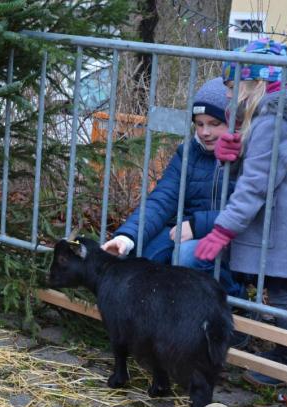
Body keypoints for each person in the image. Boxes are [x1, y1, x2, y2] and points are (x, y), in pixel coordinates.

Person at [195, 38, 287, 386]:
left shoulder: (274, 123)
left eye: (231, 87)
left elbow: (256, 185)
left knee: (281, 291)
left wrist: (222, 229)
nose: (227, 96)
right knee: (277, 289)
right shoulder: (273, 119)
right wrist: (237, 151)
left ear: (254, 84)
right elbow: (263, 167)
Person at [101, 77, 242, 300]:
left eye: (215, 124)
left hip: (232, 238)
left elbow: (247, 211)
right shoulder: (188, 152)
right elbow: (163, 197)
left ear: (236, 121)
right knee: (142, 256)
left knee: (186, 255)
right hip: (184, 229)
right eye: (199, 123)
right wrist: (127, 238)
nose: (205, 132)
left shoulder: (249, 156)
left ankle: (235, 301)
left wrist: (198, 225)